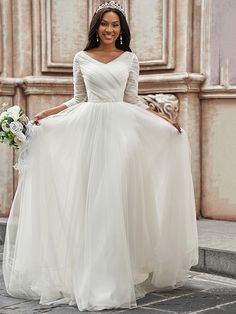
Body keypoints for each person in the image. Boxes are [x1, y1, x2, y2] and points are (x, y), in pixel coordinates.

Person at [3, 1, 198, 311]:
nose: (110, 29)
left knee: (116, 200)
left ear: (122, 30)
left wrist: (166, 122)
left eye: (115, 25)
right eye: (105, 24)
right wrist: (48, 113)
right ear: (97, 27)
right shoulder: (81, 58)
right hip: (90, 134)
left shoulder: (130, 59)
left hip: (123, 135)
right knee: (93, 201)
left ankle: (118, 271)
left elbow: (133, 100)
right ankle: (94, 275)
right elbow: (78, 98)